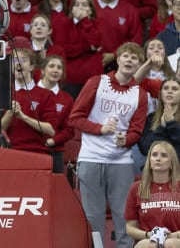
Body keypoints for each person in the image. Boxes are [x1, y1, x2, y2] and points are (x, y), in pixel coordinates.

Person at [68, 42, 149, 248]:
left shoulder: (140, 94)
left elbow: (137, 130)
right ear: (118, 59)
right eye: (126, 56)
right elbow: (74, 118)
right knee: (92, 218)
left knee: (124, 217)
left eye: (135, 58)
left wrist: (127, 139)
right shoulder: (97, 82)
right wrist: (100, 128)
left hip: (121, 161)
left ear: (139, 64)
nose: (130, 60)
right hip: (91, 158)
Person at [125, 141, 180, 246]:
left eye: (164, 155)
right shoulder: (136, 188)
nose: (158, 158)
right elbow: (129, 228)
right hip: (147, 238)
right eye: (154, 155)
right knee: (150, 244)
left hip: (176, 238)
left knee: (170, 243)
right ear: (149, 162)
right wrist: (149, 235)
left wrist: (174, 235)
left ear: (171, 164)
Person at [138, 80, 180, 161]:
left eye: (174, 89)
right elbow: (145, 148)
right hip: (156, 169)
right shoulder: (151, 118)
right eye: (166, 88)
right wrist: (162, 127)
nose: (170, 91)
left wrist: (171, 124)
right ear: (160, 94)